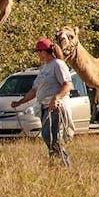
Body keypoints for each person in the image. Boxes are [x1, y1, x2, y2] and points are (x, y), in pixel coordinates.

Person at [15, 37, 74, 167]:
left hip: (55, 106)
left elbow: (67, 84)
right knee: (48, 136)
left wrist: (56, 98)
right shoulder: (44, 68)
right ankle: (55, 163)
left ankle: (65, 163)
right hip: (44, 106)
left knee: (50, 135)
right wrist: (20, 102)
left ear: (44, 51)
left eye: (38, 51)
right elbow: (35, 90)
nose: (37, 54)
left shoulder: (58, 64)